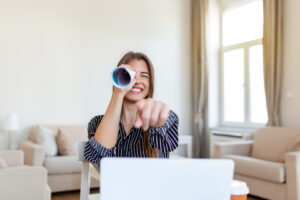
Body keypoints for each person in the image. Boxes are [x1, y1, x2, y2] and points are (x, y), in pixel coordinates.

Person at [84, 51, 179, 164]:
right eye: (131, 75)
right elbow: (98, 154)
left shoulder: (163, 115)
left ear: (150, 84)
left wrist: (159, 123)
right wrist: (118, 93)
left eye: (144, 76)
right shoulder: (96, 123)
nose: (137, 81)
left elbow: (167, 141)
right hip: (114, 182)